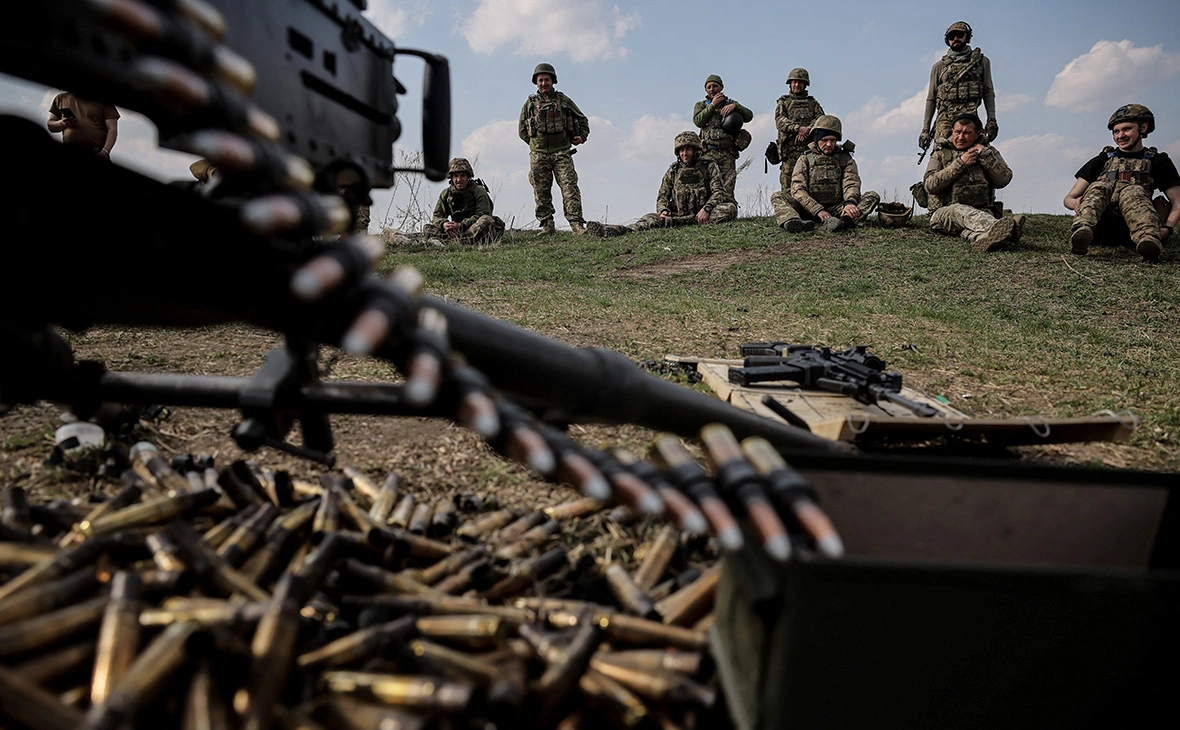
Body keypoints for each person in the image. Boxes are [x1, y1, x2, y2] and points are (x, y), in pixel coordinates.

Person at [1064, 104, 1179, 263]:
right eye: (1116, 132)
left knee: (1132, 190)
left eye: (1126, 129)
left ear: (1143, 128)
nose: (1120, 135)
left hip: (1134, 228)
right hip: (1100, 227)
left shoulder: (1158, 161)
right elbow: (1069, 198)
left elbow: (1177, 202)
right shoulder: (1103, 159)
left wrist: (1167, 229)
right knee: (1100, 186)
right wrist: (1075, 203)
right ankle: (1082, 233)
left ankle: (1148, 243)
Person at [586, 132, 736, 237]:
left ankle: (684, 222)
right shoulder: (674, 170)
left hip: (702, 215)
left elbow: (718, 192)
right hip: (676, 215)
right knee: (648, 219)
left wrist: (707, 209)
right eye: (682, 150)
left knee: (729, 209)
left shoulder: (708, 166)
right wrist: (663, 210)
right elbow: (663, 195)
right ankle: (613, 230)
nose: (685, 153)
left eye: (688, 149)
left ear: (696, 150)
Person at [923, 112, 1025, 252]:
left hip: (981, 211)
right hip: (944, 213)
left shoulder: (988, 151)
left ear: (978, 134)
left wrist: (986, 157)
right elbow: (930, 185)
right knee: (959, 210)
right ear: (952, 131)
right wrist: (960, 164)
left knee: (973, 227)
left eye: (967, 133)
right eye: (957, 132)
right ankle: (1009, 230)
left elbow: (1004, 179)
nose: (960, 137)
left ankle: (981, 239)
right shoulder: (940, 153)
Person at [772, 116, 878, 233]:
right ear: (817, 140)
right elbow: (798, 190)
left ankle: (843, 222)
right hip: (808, 209)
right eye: (825, 140)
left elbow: (851, 183)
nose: (829, 144)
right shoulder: (805, 159)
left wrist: (850, 203)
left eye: (832, 140)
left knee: (872, 196)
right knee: (778, 196)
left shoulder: (845, 158)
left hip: (838, 208)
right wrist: (818, 210)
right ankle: (793, 221)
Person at [518, 63, 589, 235]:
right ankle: (547, 225)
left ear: (553, 81)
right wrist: (536, 145)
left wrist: (582, 137)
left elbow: (582, 120)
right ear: (536, 82)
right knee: (540, 190)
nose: (543, 83)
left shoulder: (563, 101)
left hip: (562, 152)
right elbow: (522, 130)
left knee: (569, 187)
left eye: (546, 80)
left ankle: (576, 225)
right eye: (540, 80)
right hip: (538, 154)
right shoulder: (529, 104)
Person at [919, 21, 997, 153]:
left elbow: (988, 92)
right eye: (951, 36)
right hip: (945, 119)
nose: (955, 39)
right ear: (947, 40)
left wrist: (992, 120)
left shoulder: (982, 62)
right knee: (940, 154)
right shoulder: (939, 67)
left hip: (970, 116)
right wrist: (925, 130)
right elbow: (931, 99)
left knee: (981, 153)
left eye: (960, 35)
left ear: (967, 37)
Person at [693, 74, 753, 203]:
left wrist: (736, 107)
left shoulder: (731, 103)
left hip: (727, 152)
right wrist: (713, 105)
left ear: (721, 87)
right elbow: (698, 121)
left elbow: (749, 116)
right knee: (708, 185)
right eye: (708, 87)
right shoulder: (701, 105)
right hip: (708, 152)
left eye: (715, 86)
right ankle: (708, 214)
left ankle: (727, 214)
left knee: (728, 185)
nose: (712, 89)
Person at [422, 158, 505, 244]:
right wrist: (444, 224)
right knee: (427, 228)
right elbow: (437, 215)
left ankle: (455, 242)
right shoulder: (446, 193)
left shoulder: (478, 191)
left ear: (468, 177)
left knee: (486, 220)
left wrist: (461, 226)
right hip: (455, 231)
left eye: (462, 175)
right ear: (452, 178)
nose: (459, 180)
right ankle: (456, 241)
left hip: (473, 229)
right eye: (456, 176)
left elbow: (483, 214)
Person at [774, 68, 825, 193]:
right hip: (790, 149)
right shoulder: (784, 102)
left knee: (811, 178)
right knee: (787, 181)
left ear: (805, 84)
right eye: (794, 82)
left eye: (800, 82)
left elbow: (821, 120)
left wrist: (807, 130)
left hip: (809, 148)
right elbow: (780, 121)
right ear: (790, 83)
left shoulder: (813, 103)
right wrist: (798, 129)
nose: (797, 85)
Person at [47, 92, 119, 158]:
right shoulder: (61, 98)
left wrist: (105, 151)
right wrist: (62, 123)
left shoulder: (103, 101)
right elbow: (51, 125)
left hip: (95, 153)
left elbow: (112, 129)